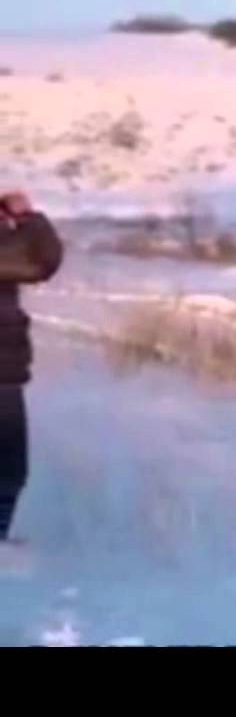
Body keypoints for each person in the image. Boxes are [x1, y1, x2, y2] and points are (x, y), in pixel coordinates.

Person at [0, 191, 62, 543]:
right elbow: (39, 261)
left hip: (6, 368)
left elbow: (40, 262)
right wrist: (28, 219)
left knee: (9, 469)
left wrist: (25, 219)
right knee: (8, 469)